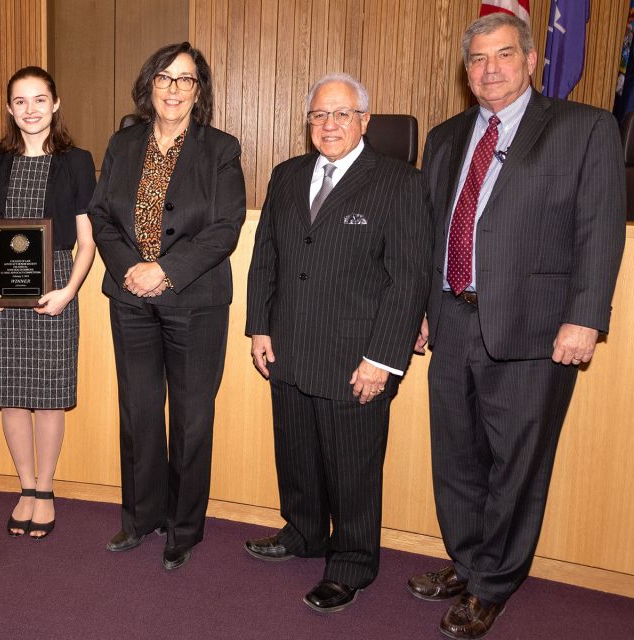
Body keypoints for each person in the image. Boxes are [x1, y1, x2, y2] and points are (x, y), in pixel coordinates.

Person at [409, 14, 625, 639]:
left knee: (516, 464)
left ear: (531, 60)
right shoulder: (448, 137)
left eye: (504, 55)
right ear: (465, 70)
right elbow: (432, 233)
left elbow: (600, 229)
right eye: (477, 59)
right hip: (451, 319)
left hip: (535, 330)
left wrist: (585, 317)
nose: (490, 69)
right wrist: (423, 307)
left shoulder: (585, 128)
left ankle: (493, 584)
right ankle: (467, 560)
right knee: (456, 456)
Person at [244, 73, 431, 612]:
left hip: (357, 359)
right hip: (289, 349)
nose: (329, 125)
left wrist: (383, 360)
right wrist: (260, 326)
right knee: (296, 452)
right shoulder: (287, 175)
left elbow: (408, 279)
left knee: (352, 467)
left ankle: (351, 563)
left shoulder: (398, 181)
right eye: (319, 116)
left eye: (342, 114)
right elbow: (267, 258)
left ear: (365, 122)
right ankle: (302, 533)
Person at [89, 42, 245, 570]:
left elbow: (226, 227)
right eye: (164, 77)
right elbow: (100, 214)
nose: (174, 88)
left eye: (186, 79)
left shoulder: (220, 148)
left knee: (190, 418)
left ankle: (183, 529)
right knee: (137, 412)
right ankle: (139, 518)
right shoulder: (123, 142)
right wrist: (130, 269)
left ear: (199, 91)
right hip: (129, 297)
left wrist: (166, 270)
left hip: (195, 303)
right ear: (149, 84)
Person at [0, 67, 96, 539]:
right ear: (8, 108)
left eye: (39, 100)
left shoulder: (77, 161)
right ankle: (24, 486)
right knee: (10, 393)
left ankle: (45, 489)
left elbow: (87, 241)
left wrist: (69, 291)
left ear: (55, 104)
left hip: (55, 285)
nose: (30, 110)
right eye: (20, 101)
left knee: (48, 396)